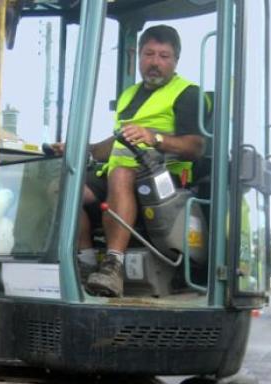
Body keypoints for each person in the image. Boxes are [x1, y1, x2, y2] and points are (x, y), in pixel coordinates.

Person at [51, 25, 206, 297]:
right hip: (119, 171)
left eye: (164, 56)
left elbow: (195, 146)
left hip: (164, 177)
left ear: (176, 60)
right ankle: (86, 261)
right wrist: (78, 149)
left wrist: (154, 137)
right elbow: (115, 143)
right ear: (138, 57)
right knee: (63, 185)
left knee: (121, 173)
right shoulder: (129, 95)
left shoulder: (188, 93)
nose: (155, 62)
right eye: (149, 54)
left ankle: (114, 265)